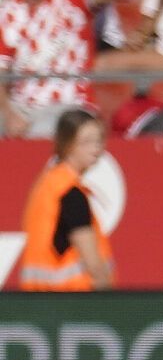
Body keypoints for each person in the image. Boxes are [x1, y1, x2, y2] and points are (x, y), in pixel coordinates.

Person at [0, 0, 120, 134]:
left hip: (69, 104)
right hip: (21, 106)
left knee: (40, 133)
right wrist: (9, 114)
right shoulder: (8, 11)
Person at [18, 108, 113, 289]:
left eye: (99, 140)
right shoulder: (70, 193)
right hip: (75, 298)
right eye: (87, 141)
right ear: (67, 143)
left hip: (39, 297)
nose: (96, 148)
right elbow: (92, 263)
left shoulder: (47, 184)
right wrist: (108, 298)